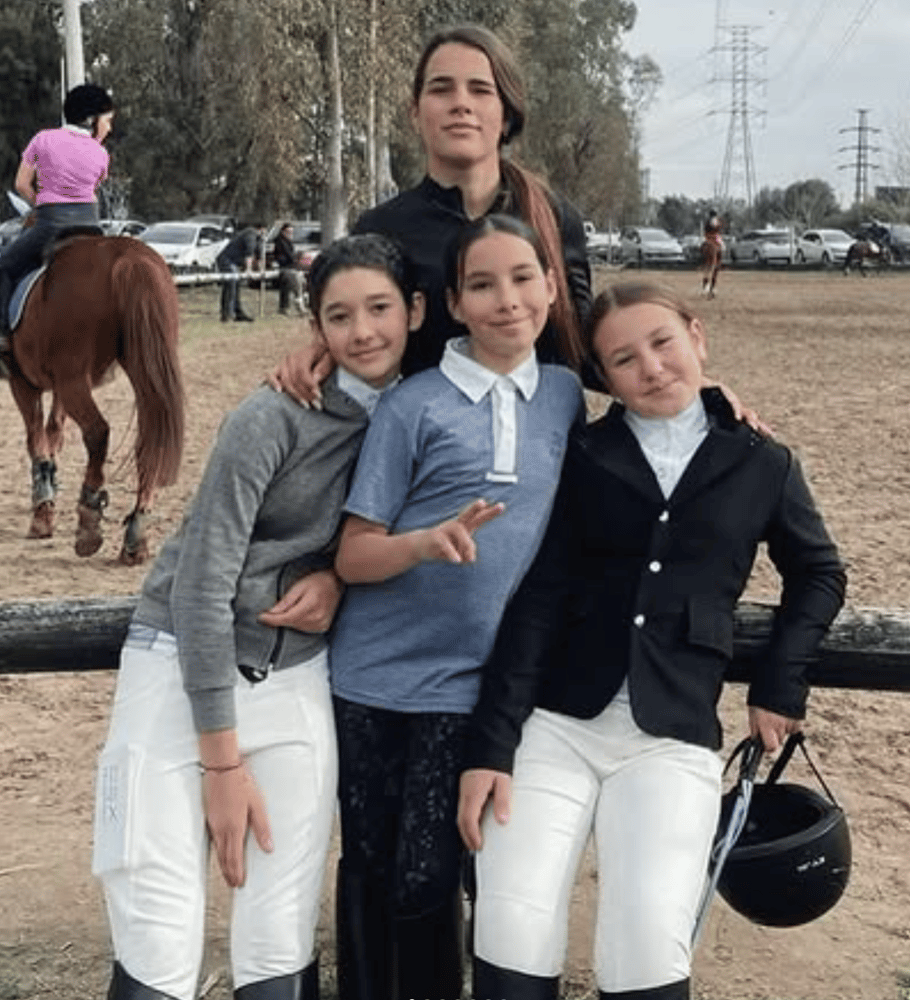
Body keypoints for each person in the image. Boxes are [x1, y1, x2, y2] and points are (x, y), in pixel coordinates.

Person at [456, 280, 848, 1000]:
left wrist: (781, 683)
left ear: (697, 336)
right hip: (557, 725)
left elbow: (819, 572)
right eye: (624, 359)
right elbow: (539, 600)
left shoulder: (763, 461)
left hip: (673, 733)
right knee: (511, 923)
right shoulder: (585, 454)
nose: (652, 367)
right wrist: (492, 746)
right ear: (605, 379)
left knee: (646, 944)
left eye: (663, 343)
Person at [92, 234, 425, 1000]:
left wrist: (335, 577)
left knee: (279, 934)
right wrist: (221, 762)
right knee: (159, 932)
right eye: (339, 315)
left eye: (379, 308)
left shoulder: (421, 418)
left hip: (294, 676)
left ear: (414, 310)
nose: (362, 331)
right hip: (180, 667)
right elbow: (201, 585)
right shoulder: (269, 416)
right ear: (315, 327)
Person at [329, 215, 586, 1000]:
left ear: (552, 286)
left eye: (523, 277)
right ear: (452, 303)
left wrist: (716, 398)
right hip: (374, 678)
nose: (506, 299)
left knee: (431, 869)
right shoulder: (414, 405)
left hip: (474, 684)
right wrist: (422, 542)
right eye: (482, 284)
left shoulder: (564, 395)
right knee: (372, 863)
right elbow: (353, 554)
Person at [272, 24, 589, 399]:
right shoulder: (381, 229)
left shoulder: (555, 218)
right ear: (415, 112)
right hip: (421, 435)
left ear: (506, 114)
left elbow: (586, 347)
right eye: (441, 89)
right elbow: (360, 330)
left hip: (545, 436)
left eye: (480, 89)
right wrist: (320, 352)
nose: (461, 103)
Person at [0, 82, 114, 354]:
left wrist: (39, 204)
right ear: (91, 119)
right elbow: (91, 188)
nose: (109, 128)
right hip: (91, 228)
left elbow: (21, 184)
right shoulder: (102, 154)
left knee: (3, 266)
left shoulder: (43, 139)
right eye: (107, 121)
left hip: (51, 226)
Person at [217, 223, 262, 323]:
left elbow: (258, 256)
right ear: (261, 229)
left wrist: (260, 271)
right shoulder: (250, 235)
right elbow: (249, 253)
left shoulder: (257, 238)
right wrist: (249, 270)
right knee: (231, 285)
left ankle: (237, 312)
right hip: (227, 260)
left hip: (234, 262)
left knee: (235, 285)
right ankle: (228, 314)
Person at [272, 223, 305, 316]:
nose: (290, 234)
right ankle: (299, 307)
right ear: (283, 232)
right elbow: (289, 256)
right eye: (288, 232)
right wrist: (296, 258)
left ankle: (286, 307)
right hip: (284, 268)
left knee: (299, 282)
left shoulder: (288, 242)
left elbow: (291, 256)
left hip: (289, 267)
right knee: (297, 282)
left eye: (291, 232)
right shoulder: (281, 242)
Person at [701, 209, 724, 297]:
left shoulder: (707, 221)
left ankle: (705, 286)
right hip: (714, 238)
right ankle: (720, 261)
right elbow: (717, 231)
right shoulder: (715, 221)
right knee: (722, 248)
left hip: (707, 238)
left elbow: (705, 232)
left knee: (707, 266)